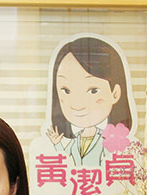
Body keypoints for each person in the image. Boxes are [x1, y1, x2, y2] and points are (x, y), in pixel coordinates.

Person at [46, 36, 133, 167]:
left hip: (99, 180)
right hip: (75, 179)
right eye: (66, 91)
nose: (78, 105)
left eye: (93, 90)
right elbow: (65, 157)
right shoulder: (76, 140)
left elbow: (113, 163)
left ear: (115, 93)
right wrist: (57, 143)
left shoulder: (107, 140)